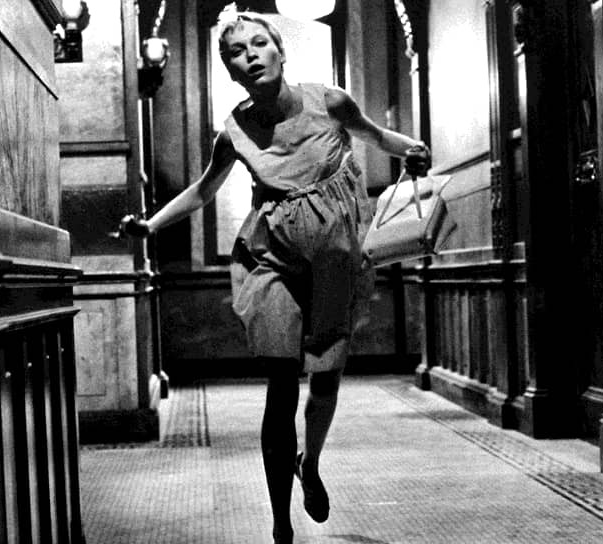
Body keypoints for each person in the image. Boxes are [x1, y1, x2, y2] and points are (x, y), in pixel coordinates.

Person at [117, 11, 430, 544]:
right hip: (272, 260)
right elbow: (202, 191)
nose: (251, 56)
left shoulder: (330, 102)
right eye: (237, 52)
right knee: (281, 385)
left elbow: (376, 136)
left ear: (280, 53)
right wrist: (150, 224)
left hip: (334, 261)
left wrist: (412, 150)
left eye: (259, 44)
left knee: (324, 381)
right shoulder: (234, 132)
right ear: (230, 71)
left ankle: (310, 464)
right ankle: (281, 525)